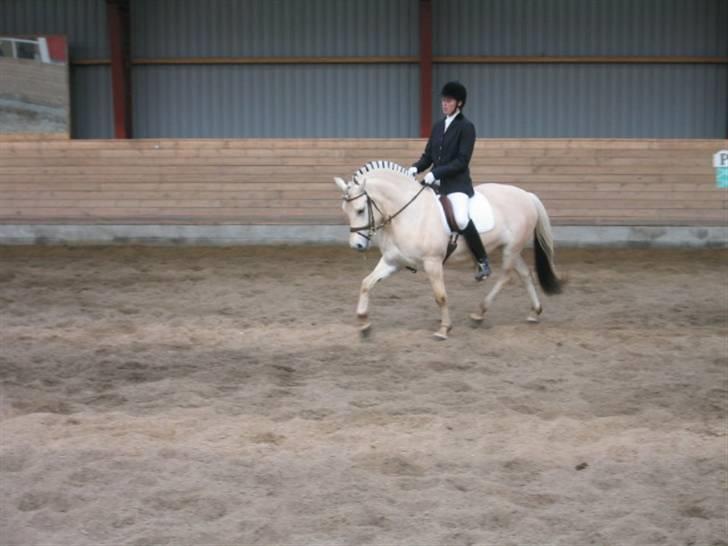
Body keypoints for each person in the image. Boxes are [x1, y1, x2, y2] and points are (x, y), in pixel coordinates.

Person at [409, 81, 491, 280]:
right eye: (443, 100)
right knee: (414, 205)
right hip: (436, 182)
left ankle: (482, 261)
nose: (444, 104)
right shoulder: (438, 126)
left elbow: (461, 162)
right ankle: (412, 255)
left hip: (456, 184)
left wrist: (436, 174)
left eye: (449, 101)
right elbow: (428, 156)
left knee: (461, 218)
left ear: (459, 103)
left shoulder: (466, 127)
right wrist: (415, 167)